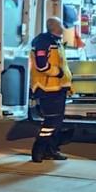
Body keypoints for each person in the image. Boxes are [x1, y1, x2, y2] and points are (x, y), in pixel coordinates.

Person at [29, 18, 73, 162]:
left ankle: (50, 150)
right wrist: (58, 73)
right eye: (60, 24)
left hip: (57, 88)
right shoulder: (44, 42)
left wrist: (67, 84)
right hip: (48, 88)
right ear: (54, 27)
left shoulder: (55, 41)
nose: (63, 27)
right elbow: (42, 65)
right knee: (51, 122)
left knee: (56, 122)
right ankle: (38, 150)